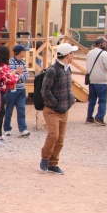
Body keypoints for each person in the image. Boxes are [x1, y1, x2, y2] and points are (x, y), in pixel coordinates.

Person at [40, 43, 77, 175]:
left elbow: (67, 88)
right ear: (68, 55)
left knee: (60, 139)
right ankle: (45, 157)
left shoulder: (67, 69)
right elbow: (45, 90)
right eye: (72, 53)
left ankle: (53, 163)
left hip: (64, 109)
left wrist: (71, 98)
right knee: (53, 135)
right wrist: (55, 104)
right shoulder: (52, 70)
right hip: (52, 110)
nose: (73, 55)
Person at [85, 36, 107, 126]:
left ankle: (89, 117)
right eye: (105, 43)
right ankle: (99, 117)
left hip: (91, 80)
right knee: (102, 100)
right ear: (101, 44)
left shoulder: (89, 53)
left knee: (92, 100)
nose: (106, 45)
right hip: (101, 81)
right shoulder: (104, 54)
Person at [3, 44, 30, 137]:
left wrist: (18, 76)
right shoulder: (10, 62)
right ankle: (7, 129)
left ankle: (23, 129)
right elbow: (10, 76)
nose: (24, 53)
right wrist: (17, 74)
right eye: (23, 51)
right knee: (9, 110)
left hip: (21, 89)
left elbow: (27, 75)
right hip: (12, 89)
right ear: (19, 52)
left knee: (21, 109)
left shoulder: (23, 63)